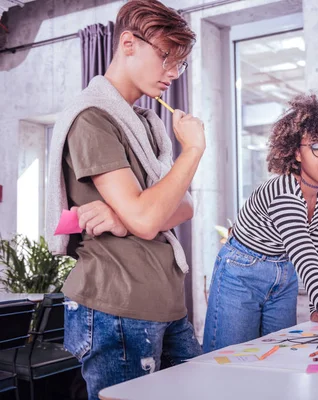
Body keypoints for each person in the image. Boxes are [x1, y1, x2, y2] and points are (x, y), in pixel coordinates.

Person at [46, 1, 203, 398]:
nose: (172, 72)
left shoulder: (149, 125)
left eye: (179, 64)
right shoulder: (92, 118)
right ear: (129, 43)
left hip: (167, 304)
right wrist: (193, 153)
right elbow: (150, 219)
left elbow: (184, 206)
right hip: (118, 307)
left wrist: (123, 215)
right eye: (166, 56)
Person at [203, 93, 318, 353]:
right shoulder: (284, 192)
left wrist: (316, 307)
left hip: (284, 273)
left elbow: (317, 244)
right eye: (317, 147)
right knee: (229, 360)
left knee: (278, 356)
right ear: (297, 153)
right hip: (242, 271)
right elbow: (305, 259)